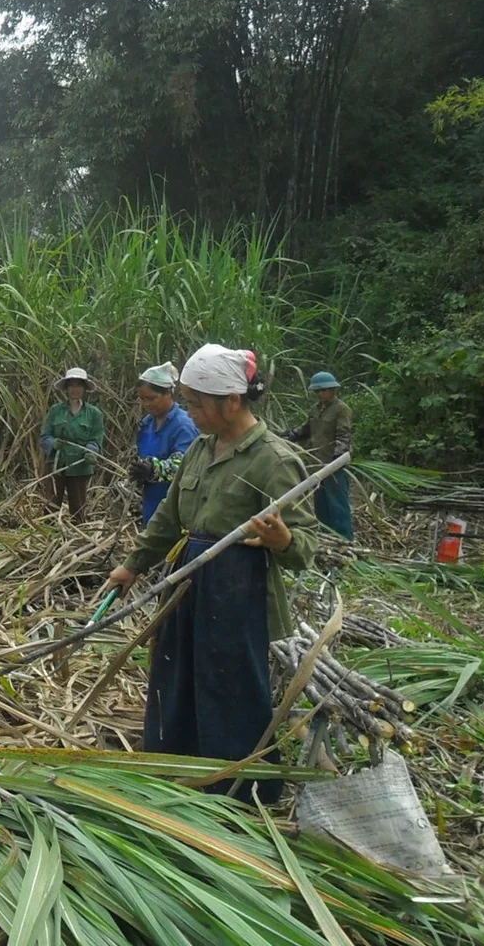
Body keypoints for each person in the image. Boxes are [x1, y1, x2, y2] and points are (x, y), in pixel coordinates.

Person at [107, 344, 319, 803]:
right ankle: (174, 771)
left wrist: (282, 539)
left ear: (233, 401)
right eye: (187, 400)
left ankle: (239, 792)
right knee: (175, 674)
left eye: (197, 403)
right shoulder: (200, 449)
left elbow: (305, 547)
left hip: (238, 593)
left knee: (230, 689)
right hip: (187, 581)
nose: (191, 411)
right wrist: (132, 565)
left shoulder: (274, 461)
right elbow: (168, 516)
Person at [282, 371, 355, 540]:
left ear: (332, 390)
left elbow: (344, 436)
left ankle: (344, 539)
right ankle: (326, 536)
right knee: (321, 504)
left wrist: (337, 460)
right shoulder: (315, 409)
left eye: (323, 391)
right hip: (317, 464)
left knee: (337, 504)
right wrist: (290, 434)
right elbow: (306, 429)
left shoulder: (341, 409)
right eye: (317, 391)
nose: (320, 394)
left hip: (334, 465)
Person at [129, 362, 199, 525]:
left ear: (168, 394)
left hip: (175, 507)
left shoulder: (184, 425)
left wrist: (153, 469)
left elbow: (184, 465)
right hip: (151, 502)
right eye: (142, 399)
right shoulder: (147, 423)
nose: (146, 404)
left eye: (152, 398)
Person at [39, 366, 105, 522]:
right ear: (66, 389)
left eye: (79, 385)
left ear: (84, 389)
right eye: (71, 385)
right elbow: (44, 437)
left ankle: (77, 538)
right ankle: (49, 536)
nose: (75, 389)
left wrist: (90, 451)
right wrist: (53, 443)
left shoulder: (94, 414)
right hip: (56, 465)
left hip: (80, 467)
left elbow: (96, 439)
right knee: (51, 506)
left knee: (78, 508)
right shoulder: (55, 411)